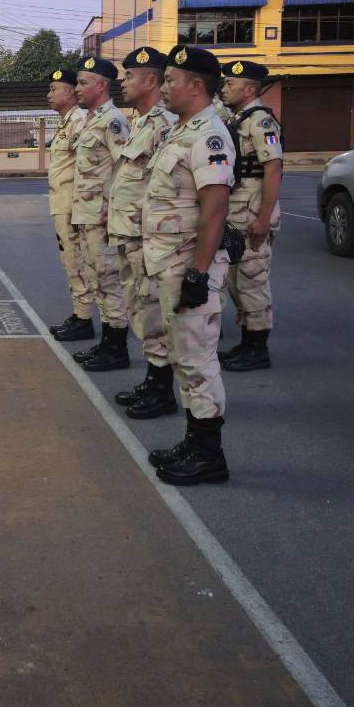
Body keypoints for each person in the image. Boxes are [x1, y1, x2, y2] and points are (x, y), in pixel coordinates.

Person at [142, 46, 235, 486]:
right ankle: (194, 440)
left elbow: (214, 207)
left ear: (195, 86)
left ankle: (209, 455)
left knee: (198, 360)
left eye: (170, 81)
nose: (163, 88)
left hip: (188, 266)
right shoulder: (180, 131)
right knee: (184, 357)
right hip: (170, 265)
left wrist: (199, 273)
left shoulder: (208, 135)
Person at [106, 48, 180, 419]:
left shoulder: (165, 124)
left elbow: (167, 187)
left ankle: (163, 389)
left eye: (130, 76)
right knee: (141, 311)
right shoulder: (143, 123)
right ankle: (154, 380)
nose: (123, 82)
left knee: (153, 314)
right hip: (130, 236)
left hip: (148, 238)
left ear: (151, 81)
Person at [217, 59, 283, 372]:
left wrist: (264, 218)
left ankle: (258, 349)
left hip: (253, 212)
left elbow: (273, 168)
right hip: (236, 211)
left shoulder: (261, 122)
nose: (225, 88)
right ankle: (246, 343)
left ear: (250, 89)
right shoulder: (238, 119)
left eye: (231, 84)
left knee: (253, 281)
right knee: (236, 281)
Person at [69, 57, 132, 372]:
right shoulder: (91, 120)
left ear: (102, 84)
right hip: (87, 215)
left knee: (109, 281)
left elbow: (126, 170)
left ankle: (117, 348)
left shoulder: (113, 121)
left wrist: (115, 212)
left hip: (104, 218)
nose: (77, 88)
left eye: (82, 82)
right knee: (96, 279)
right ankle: (108, 342)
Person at [45, 68, 95, 342]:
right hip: (63, 204)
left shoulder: (80, 122)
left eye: (54, 89)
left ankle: (84, 318)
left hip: (74, 206)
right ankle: (80, 314)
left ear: (70, 93)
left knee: (77, 261)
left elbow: (86, 169)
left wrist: (80, 208)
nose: (49, 94)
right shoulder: (66, 123)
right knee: (71, 260)